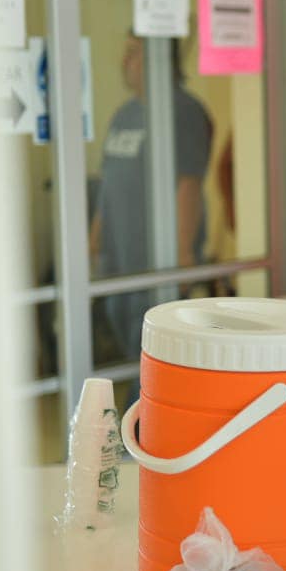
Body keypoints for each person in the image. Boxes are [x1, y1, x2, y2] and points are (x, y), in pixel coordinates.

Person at [90, 33, 212, 370]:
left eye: (133, 53)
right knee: (132, 352)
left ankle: (142, 422)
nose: (124, 62)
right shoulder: (124, 115)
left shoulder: (183, 112)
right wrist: (95, 238)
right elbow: (109, 182)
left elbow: (188, 183)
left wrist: (183, 253)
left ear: (160, 59)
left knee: (152, 360)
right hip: (119, 262)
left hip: (156, 264)